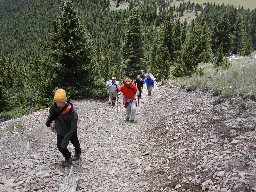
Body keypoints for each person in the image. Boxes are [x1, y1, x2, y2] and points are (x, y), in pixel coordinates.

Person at [46, 88, 81, 167]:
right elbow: (51, 115)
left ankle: (78, 152)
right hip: (61, 130)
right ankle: (68, 158)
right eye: (57, 102)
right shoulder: (54, 107)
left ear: (65, 101)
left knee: (75, 143)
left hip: (71, 130)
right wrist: (50, 123)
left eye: (60, 102)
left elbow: (73, 128)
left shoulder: (72, 113)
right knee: (60, 146)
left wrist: (66, 140)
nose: (58, 104)